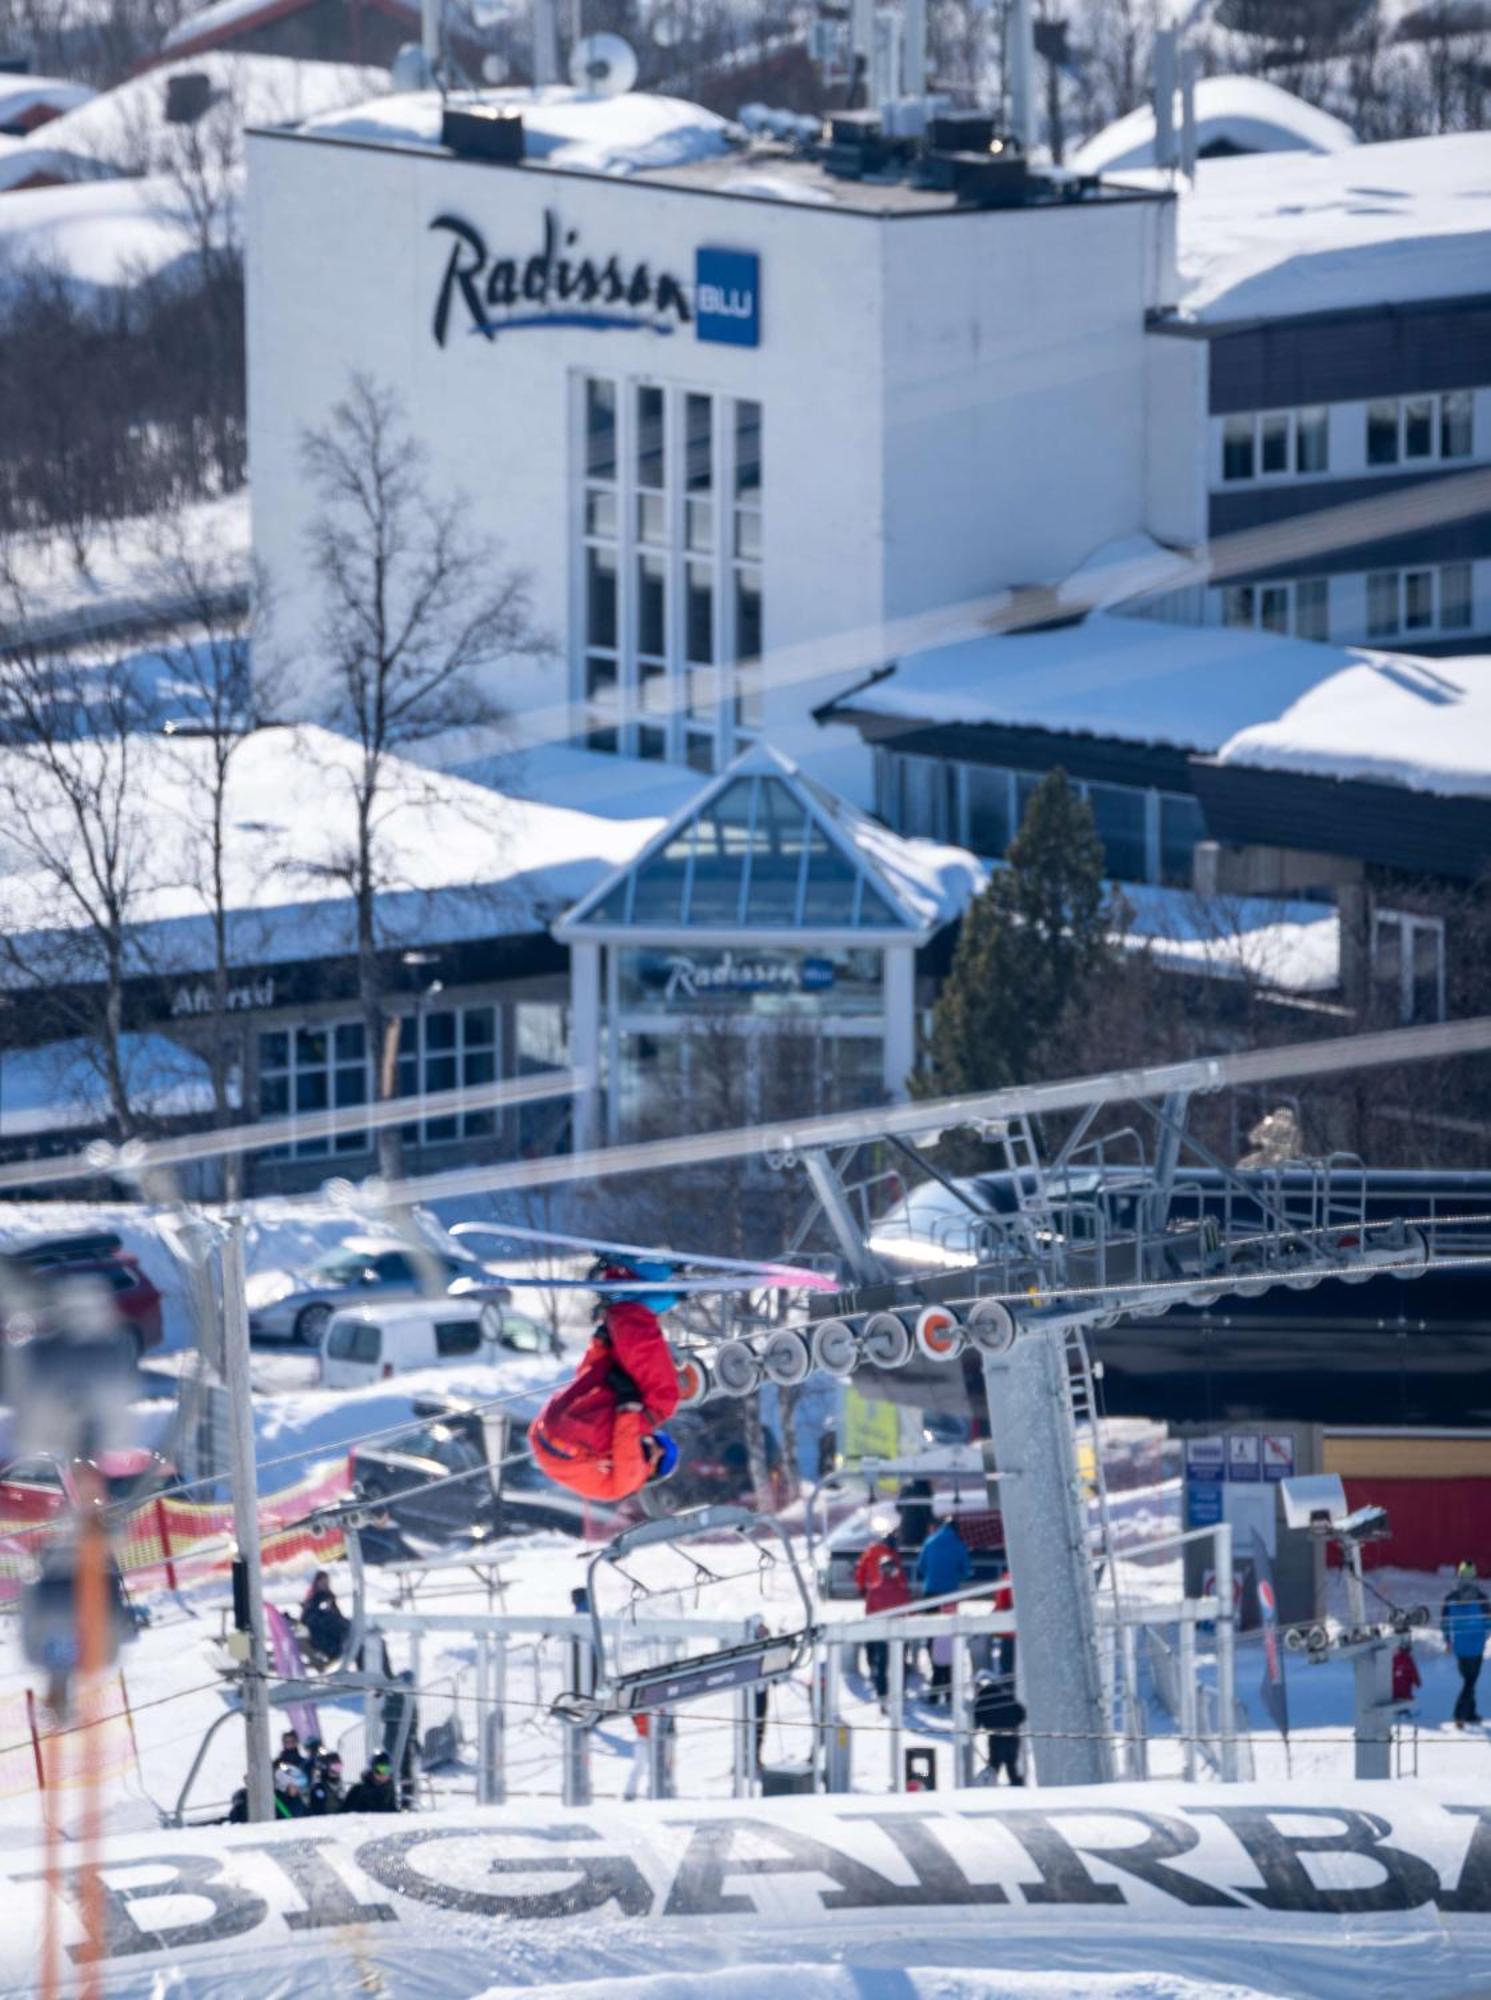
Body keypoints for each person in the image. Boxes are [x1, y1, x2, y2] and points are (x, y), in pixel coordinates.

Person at [528, 1262, 683, 1504]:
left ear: (652, 1473)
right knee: (613, 1374)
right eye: (662, 1443)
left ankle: (631, 1308)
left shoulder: (632, 1480)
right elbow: (586, 1378)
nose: (658, 1449)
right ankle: (618, 1288)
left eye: (663, 1458)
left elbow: (626, 1451)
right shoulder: (605, 1476)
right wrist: (600, 1347)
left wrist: (628, 1407)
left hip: (571, 1443)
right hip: (548, 1431)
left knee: (663, 1400)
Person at [855, 1533, 912, 1702]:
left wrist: (861, 1588)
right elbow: (908, 1608)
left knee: (881, 1661)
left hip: (880, 1626)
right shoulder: (902, 1588)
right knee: (899, 1661)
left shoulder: (871, 1552)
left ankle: (882, 1692)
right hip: (899, 1628)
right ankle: (899, 1692)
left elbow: (869, 1612)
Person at [1441, 1561, 1490, 1727]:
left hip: (1460, 1647)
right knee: (1470, 1681)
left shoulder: (1450, 1599)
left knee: (1469, 1679)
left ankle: (1470, 1713)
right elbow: (1488, 1621)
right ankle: (1459, 1714)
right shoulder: (1482, 1598)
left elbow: (1445, 1623)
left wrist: (1447, 1640)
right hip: (1477, 1645)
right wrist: (1485, 1636)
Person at [973, 1672, 1026, 1785]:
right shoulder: (1008, 1695)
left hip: (996, 1736)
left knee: (995, 1764)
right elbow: (1021, 1713)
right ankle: (1018, 1787)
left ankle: (990, 1787)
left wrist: (977, 1730)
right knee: (1011, 1764)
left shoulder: (982, 1701)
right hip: (1012, 1734)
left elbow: (977, 1721)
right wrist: (1013, 1724)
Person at [300, 1572, 350, 1661]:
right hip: (318, 1630)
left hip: (329, 1627)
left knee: (345, 1625)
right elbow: (308, 1617)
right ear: (317, 1583)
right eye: (322, 1582)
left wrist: (331, 1611)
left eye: (326, 1582)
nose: (325, 1584)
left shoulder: (329, 1596)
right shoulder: (314, 1597)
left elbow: (336, 1613)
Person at [309, 1749, 344, 1815]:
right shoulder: (319, 1788)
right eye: (334, 1767)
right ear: (325, 1767)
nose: (337, 1771)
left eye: (339, 1767)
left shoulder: (340, 1786)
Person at [1391, 1637, 1422, 1706]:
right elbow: (1413, 1672)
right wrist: (1417, 1682)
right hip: (1405, 1687)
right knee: (1405, 1698)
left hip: (1394, 1688)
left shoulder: (1393, 1658)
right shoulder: (1408, 1659)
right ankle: (1405, 1709)